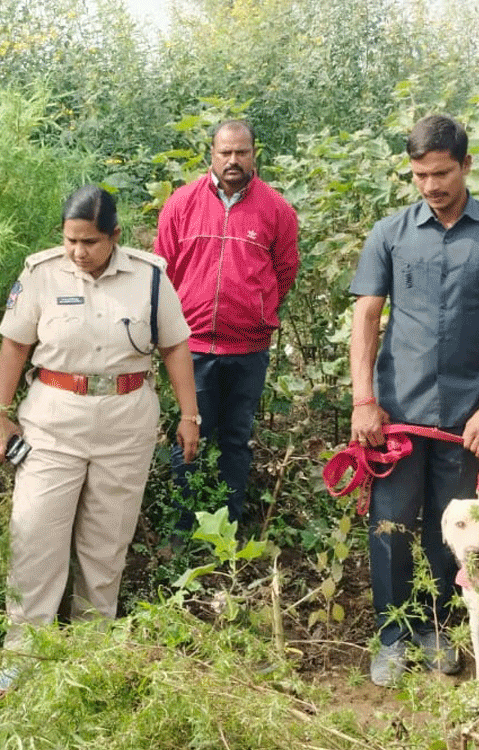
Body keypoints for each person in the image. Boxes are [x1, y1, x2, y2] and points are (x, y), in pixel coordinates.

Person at [348, 114, 479, 687]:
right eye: (420, 175)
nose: (431, 185)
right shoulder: (390, 232)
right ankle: (390, 635)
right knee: (390, 524)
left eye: (441, 173)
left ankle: (437, 630)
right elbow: (366, 315)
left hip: (465, 416)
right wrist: (364, 400)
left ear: (466, 165)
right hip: (397, 414)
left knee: (452, 527)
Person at [0, 185, 200, 675]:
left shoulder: (149, 277)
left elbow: (175, 347)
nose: (79, 252)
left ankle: (88, 658)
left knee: (105, 548)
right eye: (70, 241)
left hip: (126, 421)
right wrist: (0, 412)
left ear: (115, 236)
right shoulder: (41, 273)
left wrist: (189, 416)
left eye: (90, 242)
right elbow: (14, 346)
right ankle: (22, 658)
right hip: (53, 422)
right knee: (35, 540)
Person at [153, 119, 299, 526]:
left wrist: (255, 307)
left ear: (254, 154)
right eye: (225, 152)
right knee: (187, 437)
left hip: (248, 351)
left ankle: (228, 532)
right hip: (190, 348)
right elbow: (162, 271)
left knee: (236, 441)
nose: (233, 160)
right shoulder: (182, 203)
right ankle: (184, 533)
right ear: (211, 155)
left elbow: (285, 271)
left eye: (242, 152)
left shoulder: (276, 209)